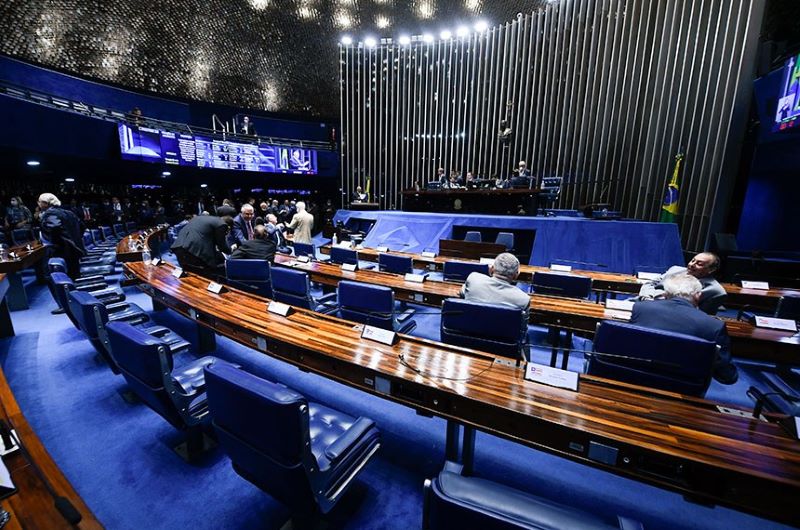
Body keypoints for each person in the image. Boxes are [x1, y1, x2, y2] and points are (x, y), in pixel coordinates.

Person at [630, 273, 738, 385]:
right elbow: (727, 376)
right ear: (698, 295)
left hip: (635, 377)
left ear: (665, 294)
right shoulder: (714, 325)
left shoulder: (641, 308)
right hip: (683, 386)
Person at [637, 252, 726, 314]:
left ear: (711, 269)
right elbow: (649, 284)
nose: (691, 264)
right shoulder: (674, 270)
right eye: (693, 260)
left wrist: (656, 298)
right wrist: (648, 297)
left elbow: (700, 315)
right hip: (644, 302)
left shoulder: (716, 291)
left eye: (699, 264)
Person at [460, 252, 530, 317]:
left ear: (491, 269)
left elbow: (462, 293)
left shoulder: (473, 279)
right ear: (516, 276)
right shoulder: (523, 299)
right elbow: (522, 325)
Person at [170, 208, 234, 278]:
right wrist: (231, 251)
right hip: (193, 251)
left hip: (178, 246)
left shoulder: (201, 218)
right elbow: (222, 246)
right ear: (228, 226)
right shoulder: (222, 224)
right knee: (207, 274)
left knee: (188, 275)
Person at [38, 193, 85, 282]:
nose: (38, 204)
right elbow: (82, 226)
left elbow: (55, 228)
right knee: (75, 276)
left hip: (61, 251)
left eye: (39, 201)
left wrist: (58, 245)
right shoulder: (68, 212)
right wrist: (75, 240)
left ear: (46, 203)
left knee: (62, 279)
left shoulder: (50, 214)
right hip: (74, 250)